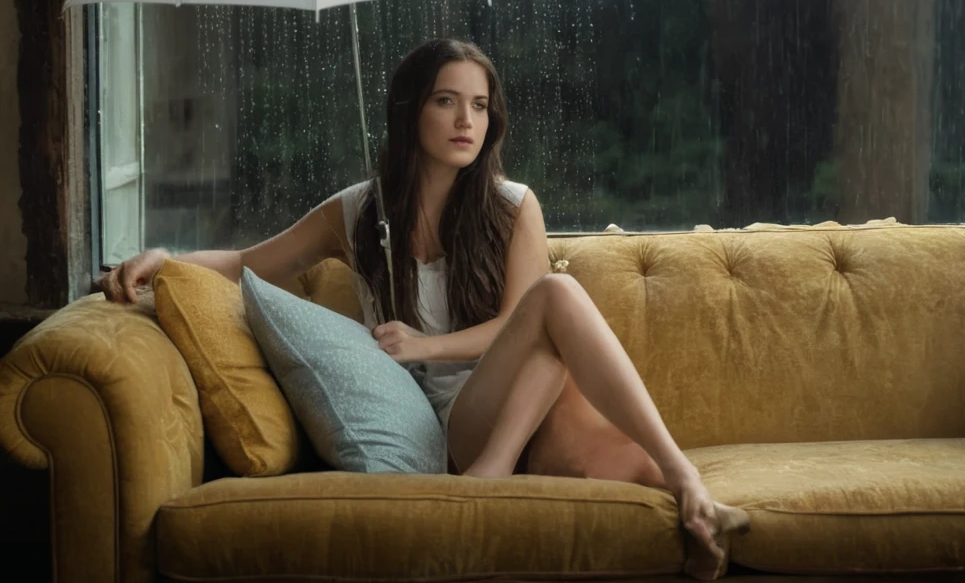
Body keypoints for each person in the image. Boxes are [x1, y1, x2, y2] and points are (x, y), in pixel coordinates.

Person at [100, 38, 749, 580]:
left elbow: (518, 324)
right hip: (457, 423)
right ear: (412, 110)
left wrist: (423, 344)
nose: (468, 120)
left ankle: (680, 486)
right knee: (558, 301)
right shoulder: (360, 211)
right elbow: (250, 263)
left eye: (480, 105)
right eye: (447, 101)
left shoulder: (512, 205)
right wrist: (169, 258)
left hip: (530, 398)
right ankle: (513, 473)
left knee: (624, 453)